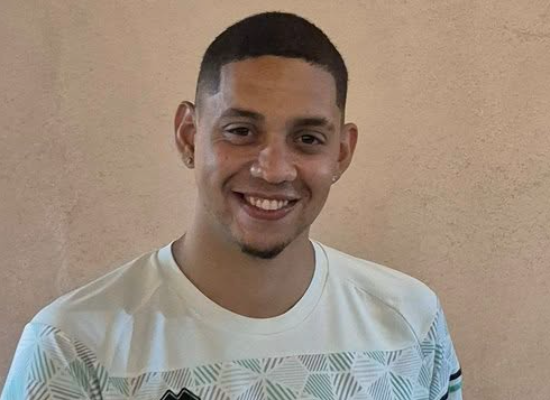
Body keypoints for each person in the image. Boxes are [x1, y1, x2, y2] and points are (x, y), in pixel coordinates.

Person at [1, 11, 463, 400]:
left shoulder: (411, 321)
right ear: (188, 136)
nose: (274, 170)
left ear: (341, 153)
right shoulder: (71, 349)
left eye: (308, 138)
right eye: (241, 131)